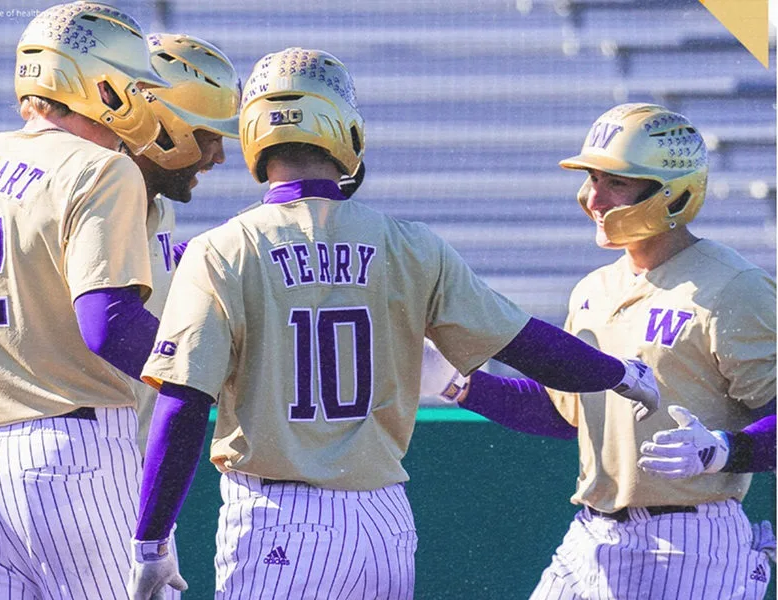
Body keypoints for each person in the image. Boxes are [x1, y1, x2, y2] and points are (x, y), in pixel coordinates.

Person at [125, 49, 661, 600]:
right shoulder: (411, 244)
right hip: (382, 520)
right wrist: (615, 372)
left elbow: (184, 401)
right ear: (343, 130)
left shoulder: (220, 249)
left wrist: (152, 538)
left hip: (275, 516)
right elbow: (528, 343)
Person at [422, 102, 776, 600]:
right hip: (592, 532)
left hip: (691, 541)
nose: (593, 197)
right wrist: (459, 386)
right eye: (592, 178)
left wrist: (725, 451)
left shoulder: (734, 286)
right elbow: (564, 413)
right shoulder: (593, 289)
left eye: (617, 182)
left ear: (672, 192)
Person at [0, 3, 170, 597]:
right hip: (72, 452)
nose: (143, 99)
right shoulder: (102, 168)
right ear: (100, 83)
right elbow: (108, 324)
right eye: (134, 83)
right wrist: (206, 374)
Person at [126, 31, 241, 455]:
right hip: (80, 457)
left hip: (118, 458)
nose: (220, 156)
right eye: (211, 134)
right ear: (165, 122)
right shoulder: (96, 197)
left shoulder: (155, 204)